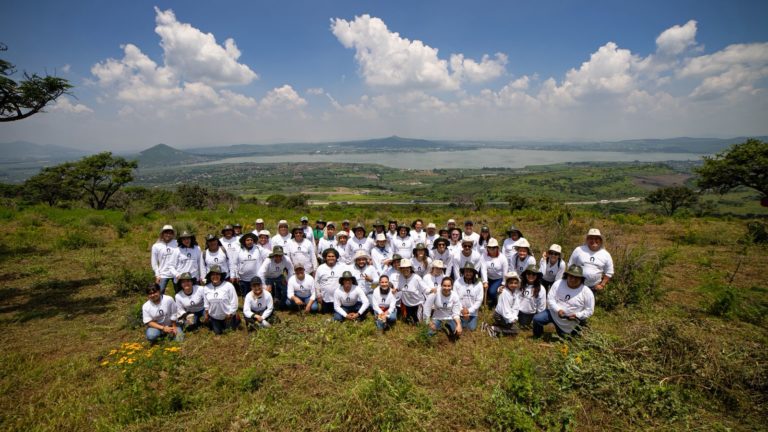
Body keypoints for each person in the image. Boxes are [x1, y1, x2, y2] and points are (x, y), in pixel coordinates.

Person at [533, 265, 595, 339]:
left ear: (581, 279)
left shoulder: (587, 292)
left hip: (571, 321)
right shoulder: (558, 283)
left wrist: (577, 315)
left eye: (576, 277)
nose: (573, 279)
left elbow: (589, 310)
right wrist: (558, 310)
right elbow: (550, 299)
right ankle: (537, 336)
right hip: (553, 314)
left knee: (567, 339)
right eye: (571, 276)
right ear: (567, 275)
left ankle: (575, 330)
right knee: (537, 319)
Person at [202, 265, 240, 335]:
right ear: (210, 276)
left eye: (217, 274)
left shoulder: (228, 285)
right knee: (218, 332)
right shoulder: (206, 288)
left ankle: (236, 319)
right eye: (213, 274)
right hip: (214, 316)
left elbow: (234, 301)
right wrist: (207, 315)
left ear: (220, 276)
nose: (215, 276)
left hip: (228, 316)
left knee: (229, 332)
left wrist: (230, 313)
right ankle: (214, 323)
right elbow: (206, 303)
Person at [486, 272, 522, 338]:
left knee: (513, 327)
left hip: (507, 314)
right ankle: (492, 328)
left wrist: (514, 317)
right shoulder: (505, 293)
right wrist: (511, 319)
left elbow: (516, 306)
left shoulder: (515, 292)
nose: (513, 285)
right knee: (516, 330)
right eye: (511, 283)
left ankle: (497, 326)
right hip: (500, 315)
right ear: (507, 284)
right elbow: (505, 310)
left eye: (515, 283)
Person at [315, 248, 347, 314]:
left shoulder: (342, 266)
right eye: (329, 256)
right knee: (325, 313)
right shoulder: (320, 268)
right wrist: (318, 295)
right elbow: (317, 282)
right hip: (326, 299)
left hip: (339, 298)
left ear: (336, 257)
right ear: (325, 257)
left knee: (338, 314)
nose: (331, 258)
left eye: (333, 256)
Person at [396, 258, 428, 324]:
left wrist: (431, 291)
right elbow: (398, 288)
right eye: (403, 268)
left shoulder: (416, 278)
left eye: (407, 268)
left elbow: (425, 289)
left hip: (417, 303)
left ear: (410, 268)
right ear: (401, 269)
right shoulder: (400, 277)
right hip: (406, 304)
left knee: (418, 323)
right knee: (408, 322)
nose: (405, 269)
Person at [453, 262, 483, 331]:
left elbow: (479, 300)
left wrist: (469, 311)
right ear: (463, 272)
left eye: (470, 271)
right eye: (466, 271)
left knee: (471, 328)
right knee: (457, 327)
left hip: (472, 312)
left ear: (473, 273)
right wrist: (461, 310)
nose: (468, 273)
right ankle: (459, 321)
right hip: (460, 310)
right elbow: (455, 298)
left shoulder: (479, 283)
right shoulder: (457, 282)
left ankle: (463, 322)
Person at [233, 232, 263, 297]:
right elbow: (235, 263)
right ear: (244, 241)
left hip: (255, 277)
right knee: (245, 295)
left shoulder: (259, 249)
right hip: (243, 278)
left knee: (256, 295)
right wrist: (236, 275)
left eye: (251, 240)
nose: (250, 242)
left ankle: (256, 307)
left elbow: (268, 255)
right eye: (248, 240)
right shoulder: (239, 250)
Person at [151, 224, 178, 294]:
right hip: (163, 273)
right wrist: (157, 275)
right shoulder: (156, 246)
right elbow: (154, 262)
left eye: (170, 233)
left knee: (179, 292)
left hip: (176, 272)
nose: (168, 235)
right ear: (162, 234)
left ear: (173, 234)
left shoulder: (177, 243)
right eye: (166, 232)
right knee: (159, 292)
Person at [483, 238, 508, 308]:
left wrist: (503, 283)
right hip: (489, 277)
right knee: (484, 289)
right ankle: (488, 299)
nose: (491, 249)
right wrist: (485, 281)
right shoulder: (484, 256)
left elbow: (505, 271)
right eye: (489, 247)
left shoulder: (502, 258)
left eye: (494, 248)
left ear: (497, 248)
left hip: (498, 279)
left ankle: (495, 302)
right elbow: (483, 269)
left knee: (492, 292)